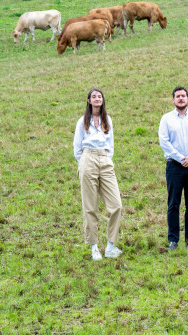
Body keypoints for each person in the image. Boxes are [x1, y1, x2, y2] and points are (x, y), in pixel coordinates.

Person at [73, 88, 123, 261]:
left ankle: (110, 246)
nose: (97, 99)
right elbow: (77, 147)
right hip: (88, 159)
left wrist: (106, 159)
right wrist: (84, 162)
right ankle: (94, 248)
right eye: (93, 97)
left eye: (99, 96)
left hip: (105, 159)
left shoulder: (107, 120)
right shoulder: (82, 121)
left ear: (103, 100)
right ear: (88, 100)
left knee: (116, 205)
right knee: (90, 206)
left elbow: (111, 143)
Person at [158, 86, 188, 250]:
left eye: (183, 96)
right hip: (174, 166)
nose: (181, 98)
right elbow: (164, 141)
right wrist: (180, 158)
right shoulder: (166, 119)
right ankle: (173, 240)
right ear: (173, 100)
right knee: (173, 204)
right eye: (178, 96)